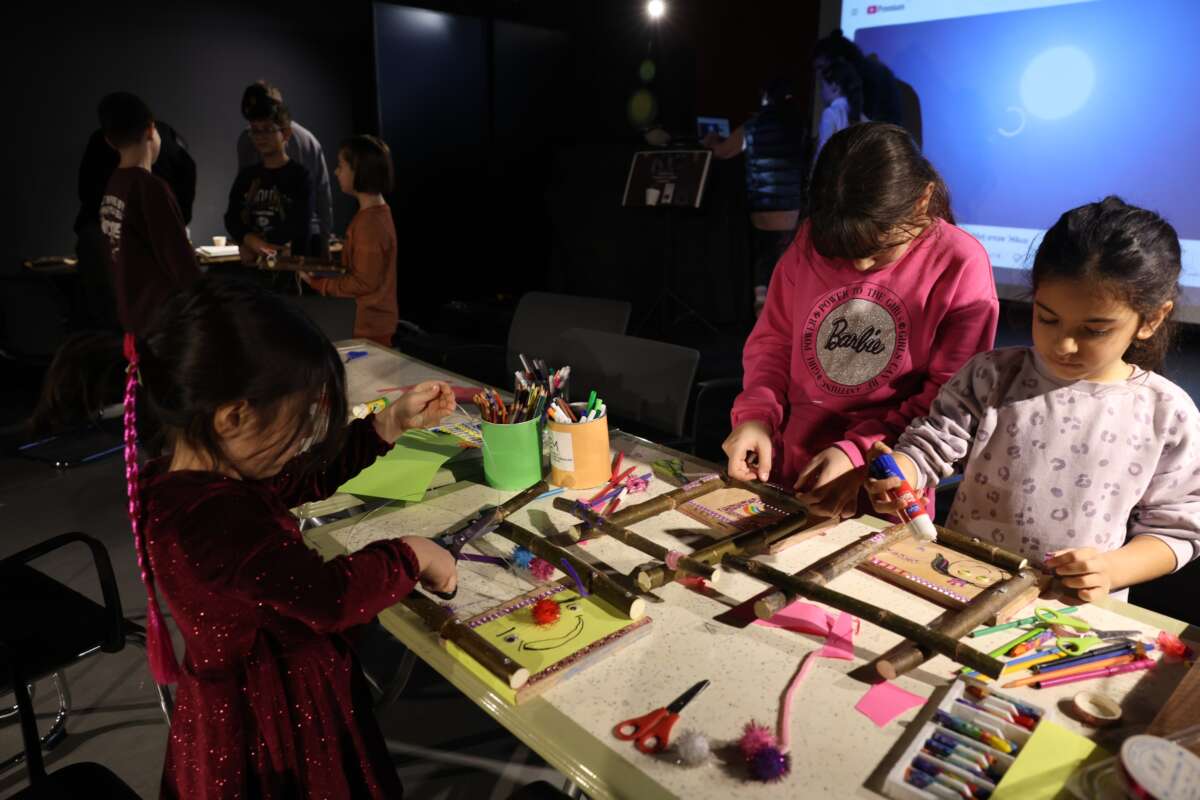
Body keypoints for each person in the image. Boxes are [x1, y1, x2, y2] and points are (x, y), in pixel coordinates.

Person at [122, 277, 458, 797]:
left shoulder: (189, 482)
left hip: (248, 697)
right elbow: (330, 598)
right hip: (272, 722)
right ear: (234, 416)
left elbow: (292, 481)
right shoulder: (213, 521)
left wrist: (387, 425)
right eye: (296, 422)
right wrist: (411, 554)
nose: (302, 439)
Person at [867, 197, 1200, 601]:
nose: (1063, 344)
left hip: (1068, 609)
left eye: (1094, 330)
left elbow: (1178, 527)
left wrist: (1112, 570)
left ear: (1152, 319)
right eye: (1047, 318)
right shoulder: (992, 375)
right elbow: (931, 447)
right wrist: (901, 473)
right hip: (962, 582)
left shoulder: (1166, 413)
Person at [723, 122, 998, 520]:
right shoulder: (815, 238)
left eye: (879, 250)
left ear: (923, 200)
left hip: (884, 476)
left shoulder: (959, 262)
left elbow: (949, 397)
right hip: (789, 465)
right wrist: (756, 417)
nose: (861, 265)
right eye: (845, 253)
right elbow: (775, 342)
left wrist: (856, 452)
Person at [76, 111, 196, 332]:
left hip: (130, 310)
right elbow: (181, 261)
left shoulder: (116, 181)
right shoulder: (151, 185)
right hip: (154, 315)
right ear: (150, 131)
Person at [704, 78, 809, 314]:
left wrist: (711, 141)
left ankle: (761, 311)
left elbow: (723, 151)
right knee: (787, 261)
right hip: (791, 208)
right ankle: (787, 313)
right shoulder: (798, 125)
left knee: (763, 259)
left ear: (765, 97)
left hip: (763, 208)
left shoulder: (753, 125)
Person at [302, 135, 399, 347]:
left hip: (368, 328)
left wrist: (320, 283)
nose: (336, 172)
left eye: (341, 166)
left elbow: (363, 282)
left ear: (359, 171)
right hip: (368, 325)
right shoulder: (374, 214)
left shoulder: (369, 223)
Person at [236, 81, 333, 258]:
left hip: (290, 237)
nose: (259, 135)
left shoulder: (249, 138)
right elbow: (323, 195)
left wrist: (248, 239)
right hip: (275, 238)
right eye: (254, 125)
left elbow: (321, 194)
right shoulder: (308, 139)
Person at [224, 95, 312, 271]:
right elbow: (231, 217)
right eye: (255, 130)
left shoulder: (299, 176)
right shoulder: (247, 176)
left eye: (267, 129)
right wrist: (249, 240)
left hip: (288, 268)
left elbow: (299, 222)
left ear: (285, 133)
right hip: (252, 268)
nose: (260, 137)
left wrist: (260, 245)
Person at [813, 29, 904, 128]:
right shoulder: (869, 73)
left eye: (822, 68)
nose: (819, 75)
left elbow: (869, 124)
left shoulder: (870, 79)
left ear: (839, 61)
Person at [816, 58, 866, 157]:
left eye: (822, 86)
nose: (821, 92)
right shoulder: (858, 114)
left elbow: (823, 151)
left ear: (834, 86)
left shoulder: (830, 113)